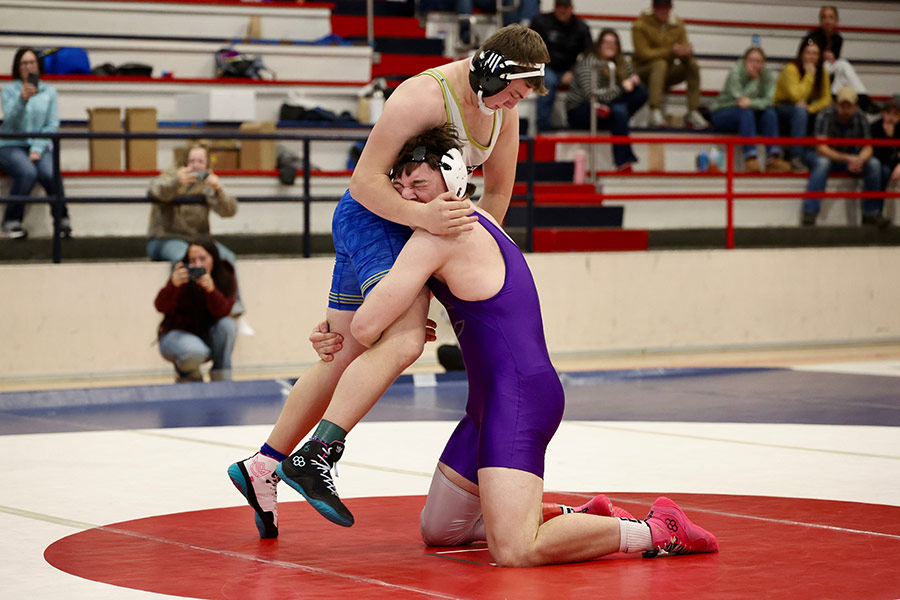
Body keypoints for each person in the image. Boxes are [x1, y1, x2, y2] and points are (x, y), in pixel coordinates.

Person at [278, 125, 719, 566]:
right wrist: (351, 324)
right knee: (441, 531)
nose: (406, 196)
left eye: (419, 184)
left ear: (451, 182)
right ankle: (577, 518)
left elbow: (369, 324)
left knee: (515, 551)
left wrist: (369, 326)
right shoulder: (479, 216)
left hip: (521, 397)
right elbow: (376, 315)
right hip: (488, 403)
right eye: (399, 185)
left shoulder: (435, 236)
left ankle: (656, 530)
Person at [227, 24, 550, 540]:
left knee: (344, 350)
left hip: (417, 230)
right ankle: (319, 455)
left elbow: (495, 202)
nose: (514, 104)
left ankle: (264, 465)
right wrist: (424, 231)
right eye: (511, 92)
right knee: (398, 341)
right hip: (378, 215)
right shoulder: (422, 94)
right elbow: (365, 180)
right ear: (490, 70)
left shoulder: (502, 113)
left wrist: (464, 277)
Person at [0, 47, 70, 239]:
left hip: (39, 143)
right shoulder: (9, 90)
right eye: (24, 63)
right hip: (11, 144)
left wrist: (37, 148)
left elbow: (51, 125)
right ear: (17, 67)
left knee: (50, 172)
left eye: (32, 62)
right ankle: (11, 222)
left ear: (38, 66)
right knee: (27, 172)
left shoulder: (49, 92)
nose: (29, 67)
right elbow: (11, 123)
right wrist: (22, 99)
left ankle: (62, 222)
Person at [154, 237, 237, 382]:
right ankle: (188, 376)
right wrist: (173, 285)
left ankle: (222, 379)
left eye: (202, 258)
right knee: (195, 351)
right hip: (176, 336)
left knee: (228, 326)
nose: (197, 264)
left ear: (214, 259)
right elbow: (160, 306)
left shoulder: (224, 276)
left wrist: (211, 291)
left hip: (208, 336)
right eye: (192, 260)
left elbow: (223, 311)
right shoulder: (181, 276)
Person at [565, 28, 648, 171]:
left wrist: (634, 80)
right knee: (619, 111)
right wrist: (622, 88)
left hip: (606, 105)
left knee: (640, 93)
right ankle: (623, 161)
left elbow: (631, 77)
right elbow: (591, 95)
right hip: (582, 108)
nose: (610, 46)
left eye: (614, 43)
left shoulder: (621, 62)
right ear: (599, 44)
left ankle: (615, 115)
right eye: (606, 42)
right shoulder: (589, 63)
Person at [802, 86, 883, 227]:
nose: (845, 110)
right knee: (822, 163)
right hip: (821, 155)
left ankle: (871, 213)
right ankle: (809, 213)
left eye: (849, 106)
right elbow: (821, 148)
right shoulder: (825, 114)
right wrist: (847, 158)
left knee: (874, 164)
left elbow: (868, 147)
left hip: (849, 158)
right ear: (836, 105)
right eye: (842, 105)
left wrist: (859, 160)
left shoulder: (861, 116)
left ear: (855, 106)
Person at [710, 46, 790, 173]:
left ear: (763, 63)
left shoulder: (767, 75)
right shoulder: (736, 71)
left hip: (749, 114)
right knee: (745, 112)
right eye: (751, 60)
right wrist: (754, 82)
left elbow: (769, 101)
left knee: (770, 113)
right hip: (723, 112)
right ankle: (750, 158)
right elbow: (740, 100)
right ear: (744, 60)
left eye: (758, 61)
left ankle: (773, 159)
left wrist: (752, 102)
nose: (755, 64)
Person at [631, 0, 708, 129]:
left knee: (692, 65)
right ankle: (654, 110)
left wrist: (686, 53)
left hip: (666, 71)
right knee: (660, 64)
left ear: (671, 8)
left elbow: (682, 47)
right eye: (659, 7)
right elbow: (643, 54)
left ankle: (693, 111)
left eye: (666, 7)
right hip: (641, 71)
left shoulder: (678, 24)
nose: (663, 11)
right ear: (653, 8)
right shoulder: (640, 25)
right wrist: (671, 51)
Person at [529, 0, 593, 132]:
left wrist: (573, 71)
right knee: (549, 81)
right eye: (559, 7)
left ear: (571, 9)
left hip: (569, 70)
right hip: (545, 66)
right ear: (554, 8)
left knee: (587, 79)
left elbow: (589, 53)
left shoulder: (581, 27)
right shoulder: (541, 22)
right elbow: (530, 46)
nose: (562, 11)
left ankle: (577, 125)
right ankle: (543, 127)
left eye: (565, 7)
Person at [806, 6, 879, 115]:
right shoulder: (812, 36)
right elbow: (807, 56)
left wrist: (830, 58)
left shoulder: (838, 38)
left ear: (836, 21)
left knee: (842, 68)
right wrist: (821, 56)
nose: (827, 21)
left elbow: (834, 62)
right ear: (820, 20)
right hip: (815, 71)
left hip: (831, 76)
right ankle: (864, 100)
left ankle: (835, 95)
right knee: (843, 65)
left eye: (831, 17)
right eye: (824, 17)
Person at [774, 37, 832, 172]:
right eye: (808, 53)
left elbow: (827, 98)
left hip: (805, 107)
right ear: (801, 54)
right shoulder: (791, 68)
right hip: (782, 108)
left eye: (815, 53)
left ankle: (823, 151)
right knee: (800, 111)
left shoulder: (822, 71)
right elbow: (796, 96)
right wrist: (809, 75)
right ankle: (796, 157)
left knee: (827, 111)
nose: (812, 57)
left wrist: (811, 108)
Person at [871, 95, 900, 210]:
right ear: (882, 113)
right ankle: (876, 211)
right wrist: (890, 138)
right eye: (888, 113)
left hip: (894, 164)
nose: (891, 118)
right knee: (882, 170)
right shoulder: (875, 127)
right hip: (881, 164)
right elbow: (876, 154)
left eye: (896, 114)